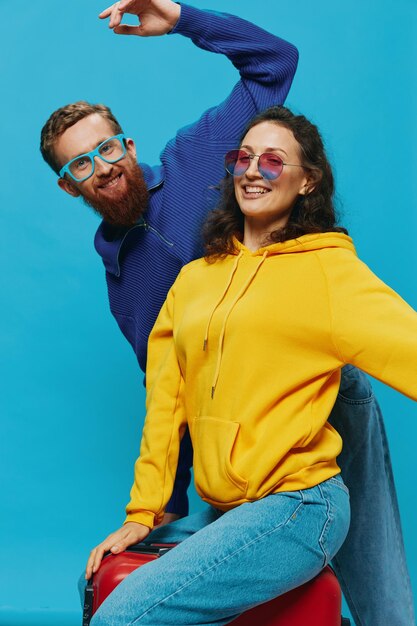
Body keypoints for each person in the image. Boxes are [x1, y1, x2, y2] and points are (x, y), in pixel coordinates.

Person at [40, 2, 415, 624]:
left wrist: (181, 17)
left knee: (369, 561)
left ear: (127, 144)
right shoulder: (147, 281)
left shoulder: (202, 158)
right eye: (82, 163)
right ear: (69, 184)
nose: (102, 166)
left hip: (314, 383)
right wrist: (153, 511)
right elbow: (169, 390)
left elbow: (275, 64)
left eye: (107, 147)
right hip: (233, 420)